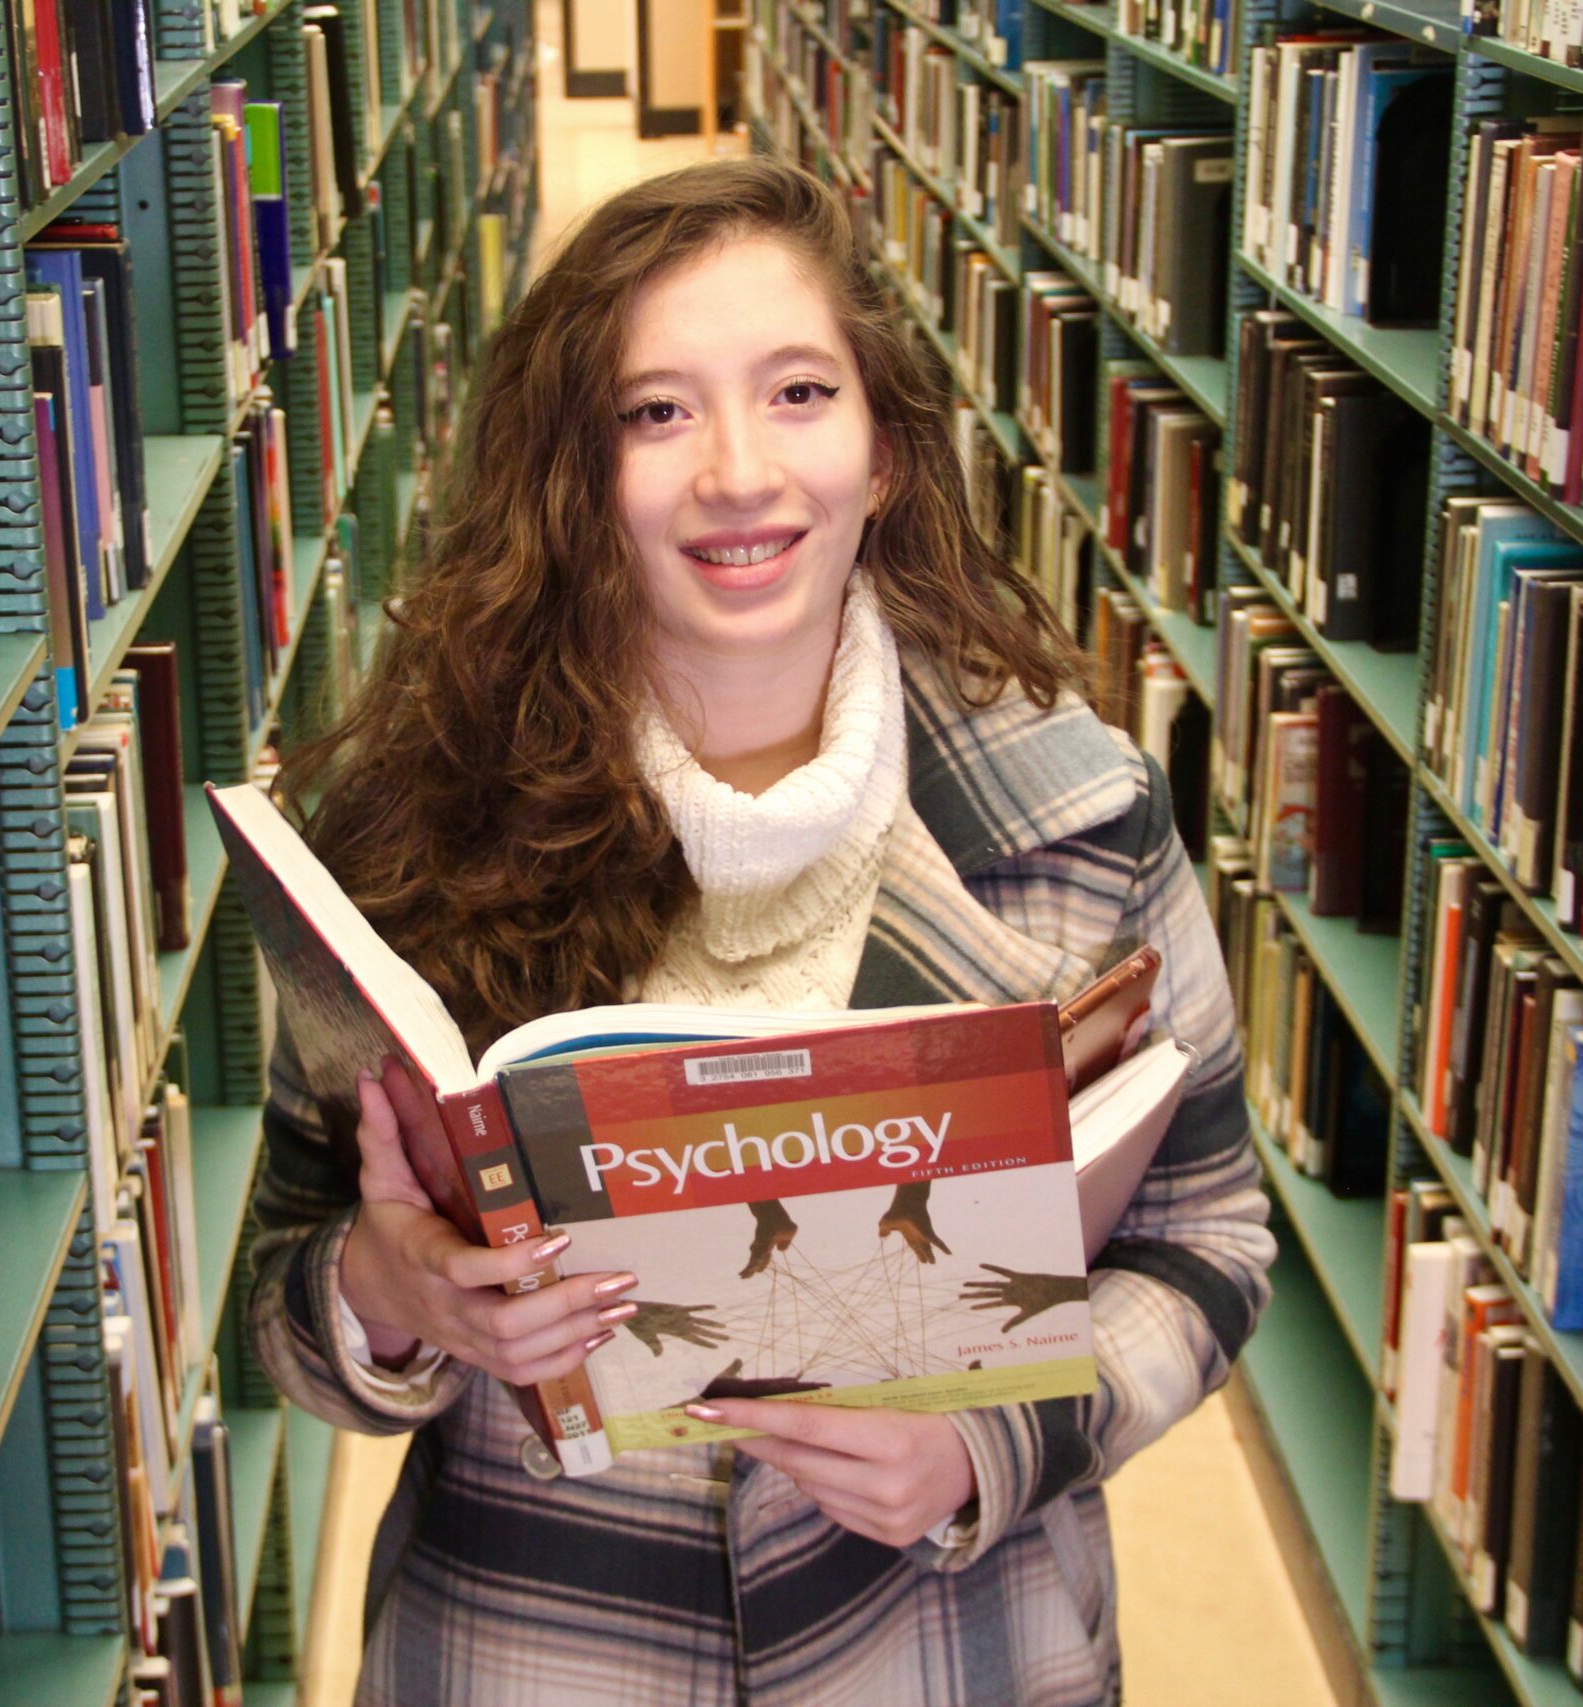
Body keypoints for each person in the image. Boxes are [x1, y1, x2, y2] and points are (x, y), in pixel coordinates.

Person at [244, 155, 1274, 1707]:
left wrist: (984, 1446)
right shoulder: (420, 831)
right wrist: (388, 1297)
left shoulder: (1081, 812)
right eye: (655, 413)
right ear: (569, 476)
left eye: (799, 393)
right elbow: (283, 1289)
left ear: (886, 451)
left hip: (949, 1648)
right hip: (544, 1649)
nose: (739, 471)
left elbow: (1210, 1242)